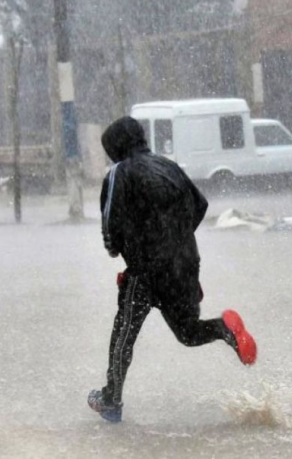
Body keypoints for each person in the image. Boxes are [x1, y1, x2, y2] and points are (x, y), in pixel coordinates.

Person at [88, 117, 257, 423]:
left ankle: (111, 400)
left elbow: (110, 224)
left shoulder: (119, 172)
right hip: (184, 265)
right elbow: (200, 205)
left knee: (124, 334)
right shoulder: (169, 166)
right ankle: (225, 330)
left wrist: (120, 248)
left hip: (144, 271)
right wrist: (175, 243)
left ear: (115, 147)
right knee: (188, 332)